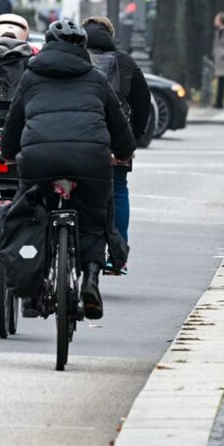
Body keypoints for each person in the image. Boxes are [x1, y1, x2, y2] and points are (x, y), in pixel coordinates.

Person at [1, 20, 136, 320]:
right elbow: (118, 125)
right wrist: (124, 152)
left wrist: (8, 153)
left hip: (39, 158)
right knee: (95, 216)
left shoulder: (31, 76)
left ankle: (33, 292)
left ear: (48, 44)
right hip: (90, 158)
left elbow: (14, 121)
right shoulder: (96, 78)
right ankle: (90, 277)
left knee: (31, 215)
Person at [82, 16, 152, 274]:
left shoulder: (72, 56)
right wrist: (134, 136)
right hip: (114, 139)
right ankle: (118, 254)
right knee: (118, 191)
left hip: (79, 139)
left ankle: (74, 248)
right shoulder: (125, 62)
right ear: (109, 36)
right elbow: (143, 102)